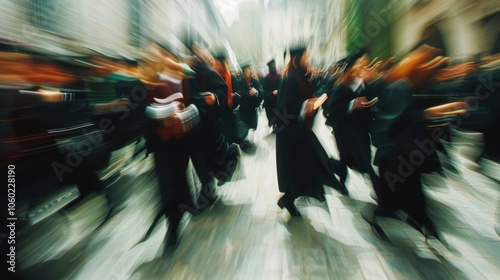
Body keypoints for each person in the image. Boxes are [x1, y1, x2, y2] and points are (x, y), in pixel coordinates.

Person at [275, 45, 345, 216]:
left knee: (308, 166)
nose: (308, 60)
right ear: (296, 58)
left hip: (302, 132)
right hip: (290, 135)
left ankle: (288, 199)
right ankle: (287, 199)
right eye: (306, 57)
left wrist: (316, 98)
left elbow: (314, 92)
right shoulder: (289, 78)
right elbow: (282, 110)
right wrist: (303, 106)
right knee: (304, 168)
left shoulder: (302, 76)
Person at [238, 62, 263, 149]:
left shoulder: (255, 81)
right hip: (244, 109)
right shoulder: (240, 82)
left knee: (253, 125)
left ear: (250, 71)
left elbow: (261, 93)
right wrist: (248, 94)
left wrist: (256, 92)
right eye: (244, 71)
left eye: (247, 71)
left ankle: (250, 140)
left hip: (253, 108)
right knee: (246, 125)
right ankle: (247, 142)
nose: (245, 73)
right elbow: (240, 94)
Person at [261, 59, 281, 131]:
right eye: (272, 67)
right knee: (272, 114)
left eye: (274, 66)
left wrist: (279, 91)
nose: (273, 68)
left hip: (279, 99)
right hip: (270, 101)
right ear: (269, 68)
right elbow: (265, 92)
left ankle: (279, 124)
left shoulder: (280, 76)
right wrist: (272, 93)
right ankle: (274, 126)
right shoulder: (266, 79)